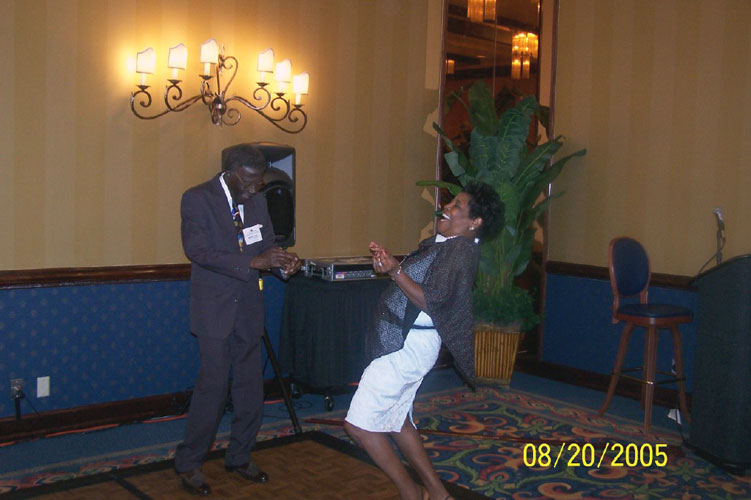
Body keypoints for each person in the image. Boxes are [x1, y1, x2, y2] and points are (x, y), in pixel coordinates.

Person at [344, 181, 503, 500]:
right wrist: (391, 265)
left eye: (457, 206)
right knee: (397, 421)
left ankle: (411, 492)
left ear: (475, 222)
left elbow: (432, 301)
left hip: (408, 349)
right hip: (413, 344)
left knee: (358, 427)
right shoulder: (446, 244)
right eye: (450, 202)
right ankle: (439, 494)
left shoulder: (459, 250)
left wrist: (395, 271)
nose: (447, 207)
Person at [174, 143, 302, 496]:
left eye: (258, 181)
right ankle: (189, 463)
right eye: (248, 181)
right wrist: (252, 263)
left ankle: (240, 456)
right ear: (230, 173)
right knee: (213, 388)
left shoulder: (257, 201)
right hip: (214, 309)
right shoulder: (197, 199)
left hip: (248, 308)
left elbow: (267, 243)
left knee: (250, 387)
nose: (254, 188)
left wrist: (282, 262)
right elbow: (198, 251)